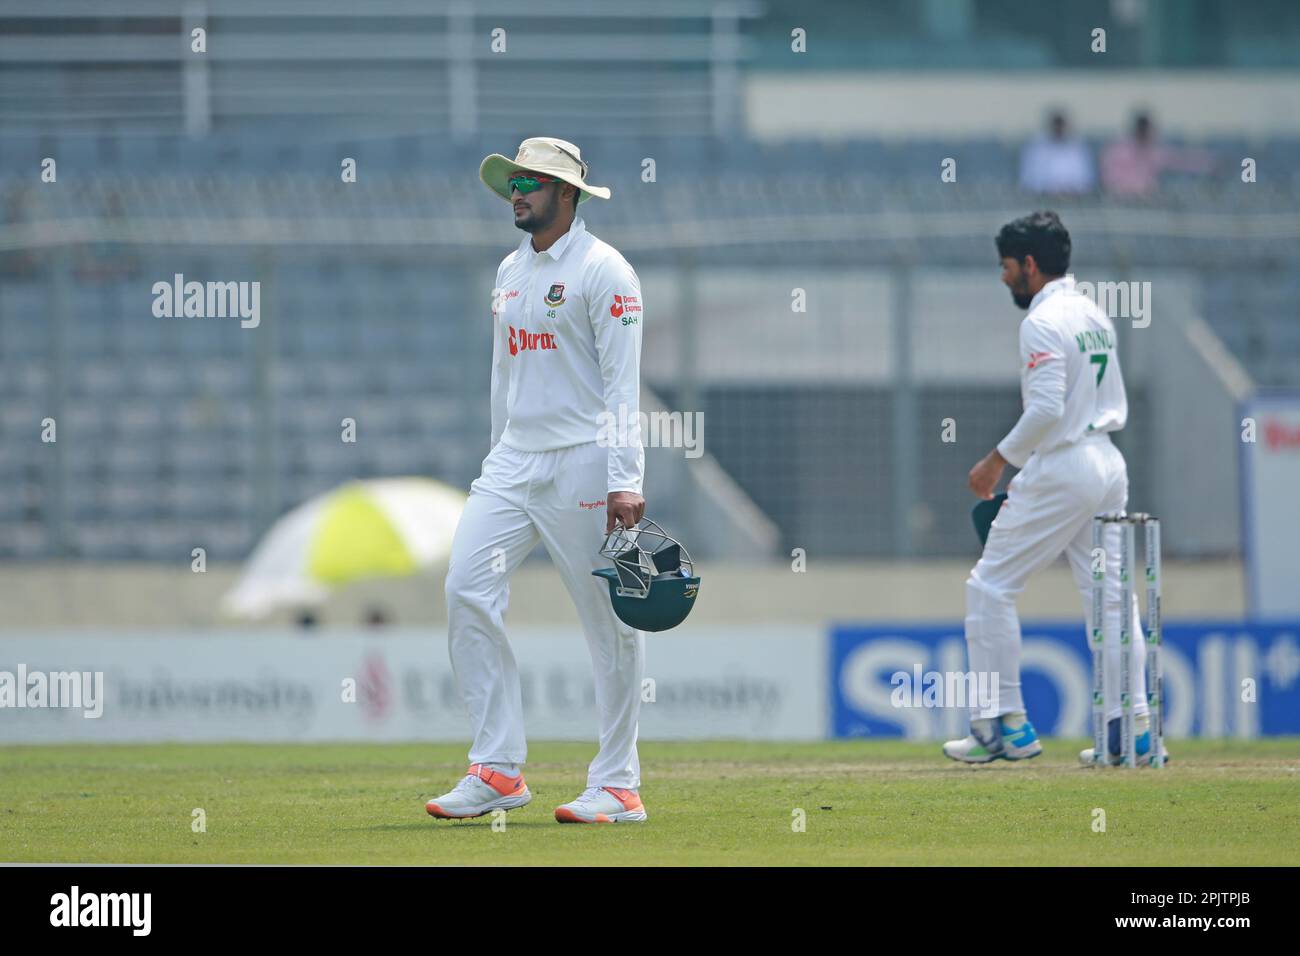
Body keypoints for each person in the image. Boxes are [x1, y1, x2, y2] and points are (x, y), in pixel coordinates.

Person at [425, 137, 650, 823]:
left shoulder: (605, 270)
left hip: (584, 459)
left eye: (531, 182)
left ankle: (618, 785)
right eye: (514, 181)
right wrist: (498, 457)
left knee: (608, 622)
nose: (517, 192)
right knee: (465, 585)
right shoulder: (509, 271)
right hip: (513, 464)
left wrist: (625, 478)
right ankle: (497, 767)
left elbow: (621, 386)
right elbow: (505, 375)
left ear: (568, 194)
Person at [944, 211, 1156, 766]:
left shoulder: (1040, 322)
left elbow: (1045, 408)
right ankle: (1131, 730)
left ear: (1030, 266)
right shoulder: (1091, 313)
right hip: (1108, 463)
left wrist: (996, 463)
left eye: (1007, 267)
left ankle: (1003, 725)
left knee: (990, 587)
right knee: (1111, 599)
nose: (1003, 277)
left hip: (1063, 464)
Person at [1100, 111, 1214, 197]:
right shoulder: (1118, 152)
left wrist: (1211, 163)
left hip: (1149, 201)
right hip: (1122, 200)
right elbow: (1110, 180)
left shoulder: (1154, 151)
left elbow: (1182, 160)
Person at [1018, 111, 1095, 195]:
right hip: (1043, 197)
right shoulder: (1036, 149)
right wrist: (1050, 188)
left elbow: (1085, 180)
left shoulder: (1078, 149)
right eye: (1056, 126)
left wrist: (1069, 189)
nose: (1059, 129)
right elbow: (1029, 180)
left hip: (1073, 197)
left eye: (1061, 127)